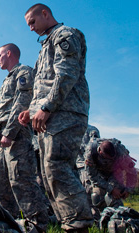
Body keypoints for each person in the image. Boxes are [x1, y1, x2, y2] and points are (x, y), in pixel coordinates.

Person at [19, 4, 93, 232]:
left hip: (64, 112)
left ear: (45, 14)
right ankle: (68, 223)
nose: (31, 28)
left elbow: (67, 74)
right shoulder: (46, 45)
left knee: (57, 167)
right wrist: (31, 110)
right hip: (49, 116)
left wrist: (48, 107)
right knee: (48, 172)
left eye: (32, 22)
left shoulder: (65, 34)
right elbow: (44, 84)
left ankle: (78, 224)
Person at [0, 43, 48, 232]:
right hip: (3, 136)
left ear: (9, 53)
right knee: (1, 183)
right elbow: (2, 112)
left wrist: (9, 132)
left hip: (17, 134)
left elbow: (22, 102)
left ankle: (39, 226)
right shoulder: (7, 79)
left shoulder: (24, 72)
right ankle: (9, 226)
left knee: (21, 180)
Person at [84, 138, 137, 212]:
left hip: (115, 173)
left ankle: (118, 217)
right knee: (96, 196)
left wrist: (128, 189)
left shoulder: (121, 152)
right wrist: (111, 189)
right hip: (99, 174)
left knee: (115, 196)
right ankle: (101, 217)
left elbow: (132, 172)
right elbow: (92, 175)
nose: (111, 159)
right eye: (108, 158)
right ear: (100, 152)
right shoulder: (91, 152)